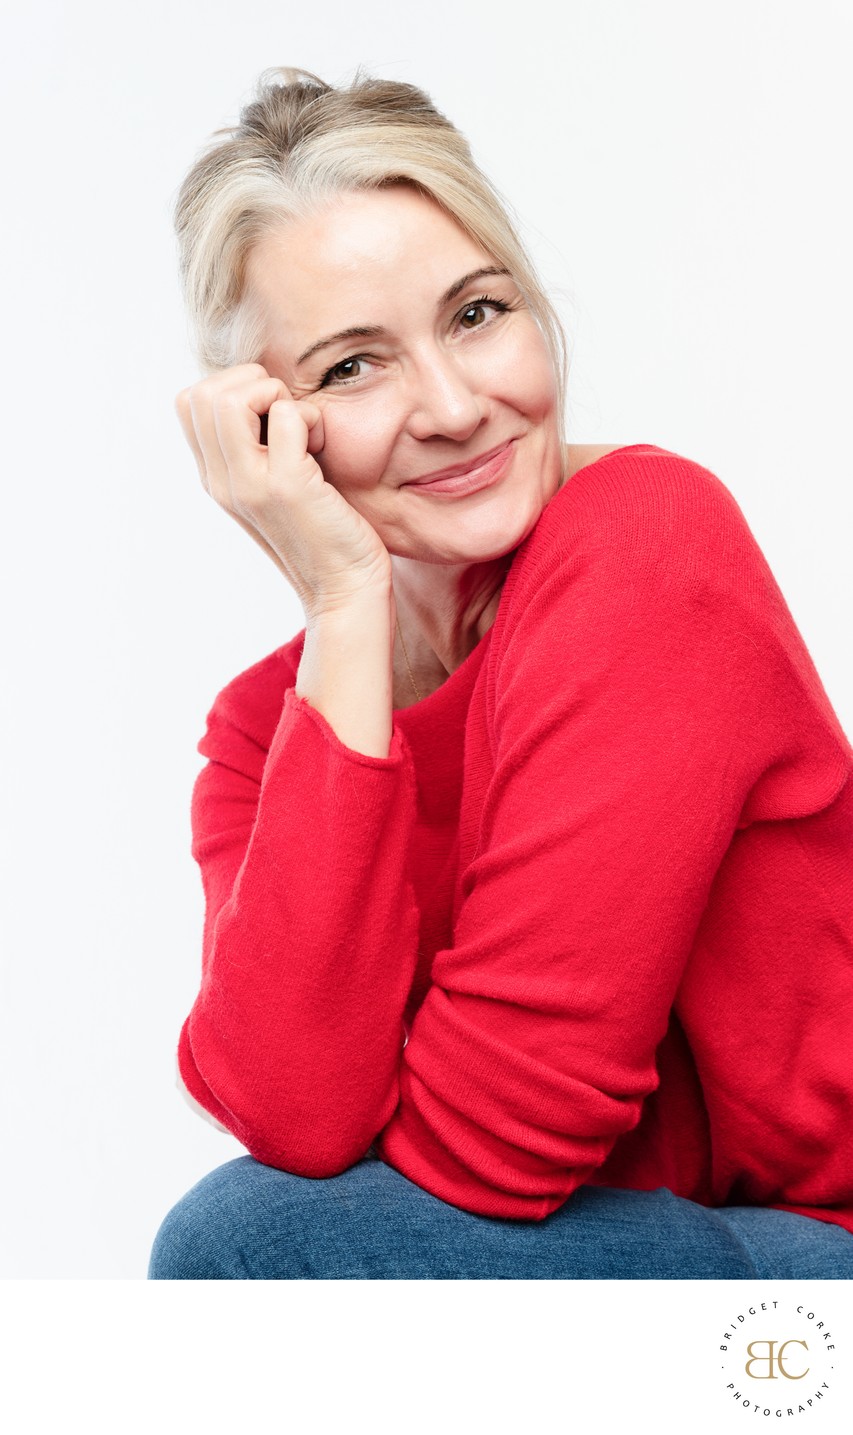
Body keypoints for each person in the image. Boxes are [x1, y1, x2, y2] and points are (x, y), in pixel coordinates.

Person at [147, 65, 853, 1280]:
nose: (455, 405)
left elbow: (493, 1152)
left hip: (812, 1268)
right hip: (586, 1272)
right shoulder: (271, 728)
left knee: (243, 1248)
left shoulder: (646, 540)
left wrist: (368, 1156)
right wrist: (343, 600)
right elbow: (295, 1114)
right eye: (351, 367)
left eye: (476, 313)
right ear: (269, 427)